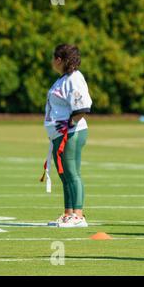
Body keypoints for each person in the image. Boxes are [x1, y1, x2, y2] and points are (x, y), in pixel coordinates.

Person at [44, 44, 92, 228]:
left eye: (53, 58)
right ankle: (68, 213)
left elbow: (82, 107)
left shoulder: (74, 78)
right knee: (64, 175)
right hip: (60, 134)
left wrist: (69, 124)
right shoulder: (63, 79)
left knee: (72, 173)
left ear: (59, 59)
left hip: (72, 133)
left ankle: (78, 215)